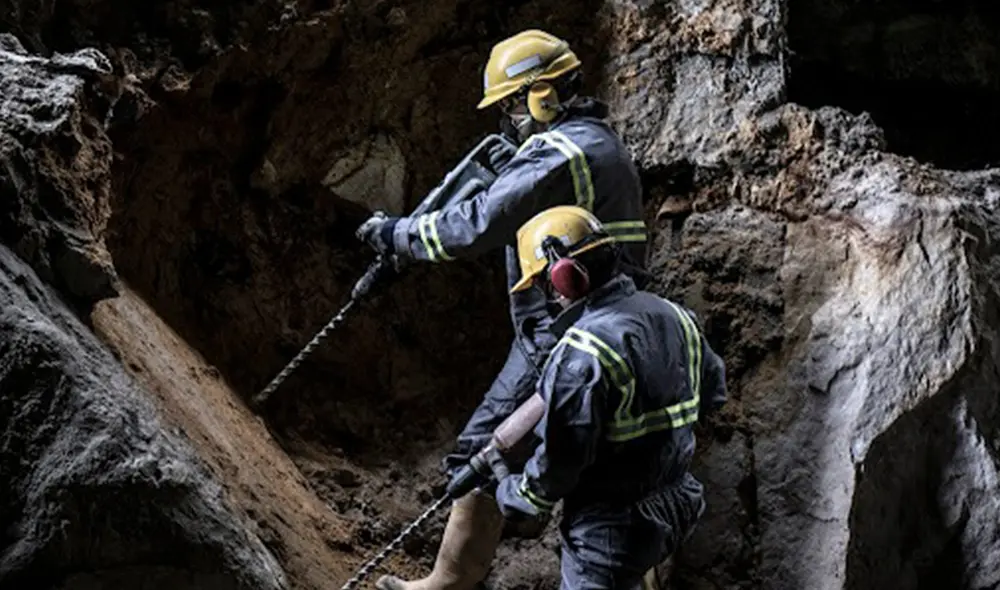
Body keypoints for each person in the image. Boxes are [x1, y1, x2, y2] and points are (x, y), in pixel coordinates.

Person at [356, 29, 651, 590]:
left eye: (514, 103)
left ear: (542, 94)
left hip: (566, 335)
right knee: (619, 480)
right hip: (586, 325)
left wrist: (400, 236)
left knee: (481, 454)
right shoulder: (596, 143)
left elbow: (480, 223)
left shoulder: (561, 152)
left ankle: (450, 583)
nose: (511, 117)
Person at [492, 205, 728, 589]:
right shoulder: (677, 316)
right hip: (677, 502)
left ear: (563, 277)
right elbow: (712, 397)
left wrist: (518, 493)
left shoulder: (582, 353)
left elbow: (558, 464)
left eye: (542, 286)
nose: (547, 298)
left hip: (611, 532)